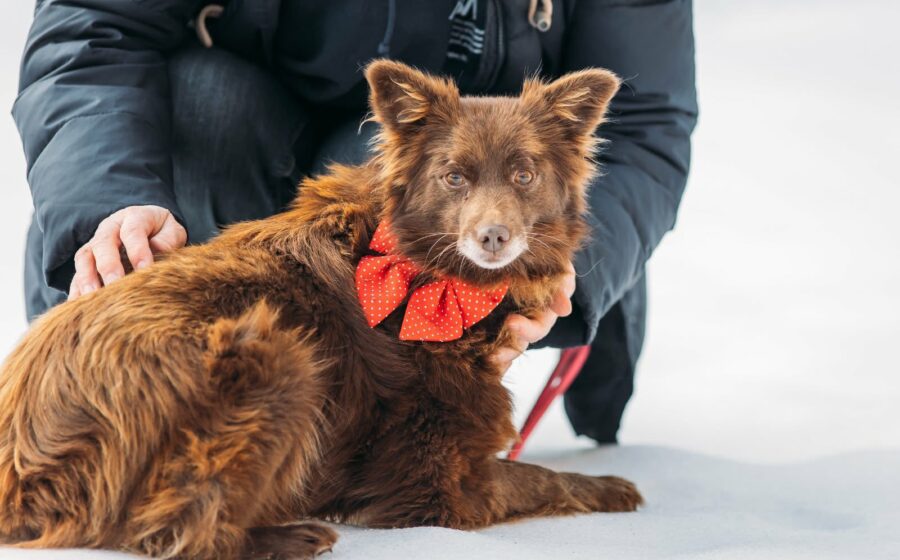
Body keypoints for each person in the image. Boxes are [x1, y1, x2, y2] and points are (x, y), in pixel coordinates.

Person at [14, 0, 697, 444]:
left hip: (470, 164)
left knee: (404, 183)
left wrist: (573, 273)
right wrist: (111, 201)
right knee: (203, 103)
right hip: (242, 119)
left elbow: (644, 123)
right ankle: (122, 412)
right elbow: (92, 28)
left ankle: (368, 443)